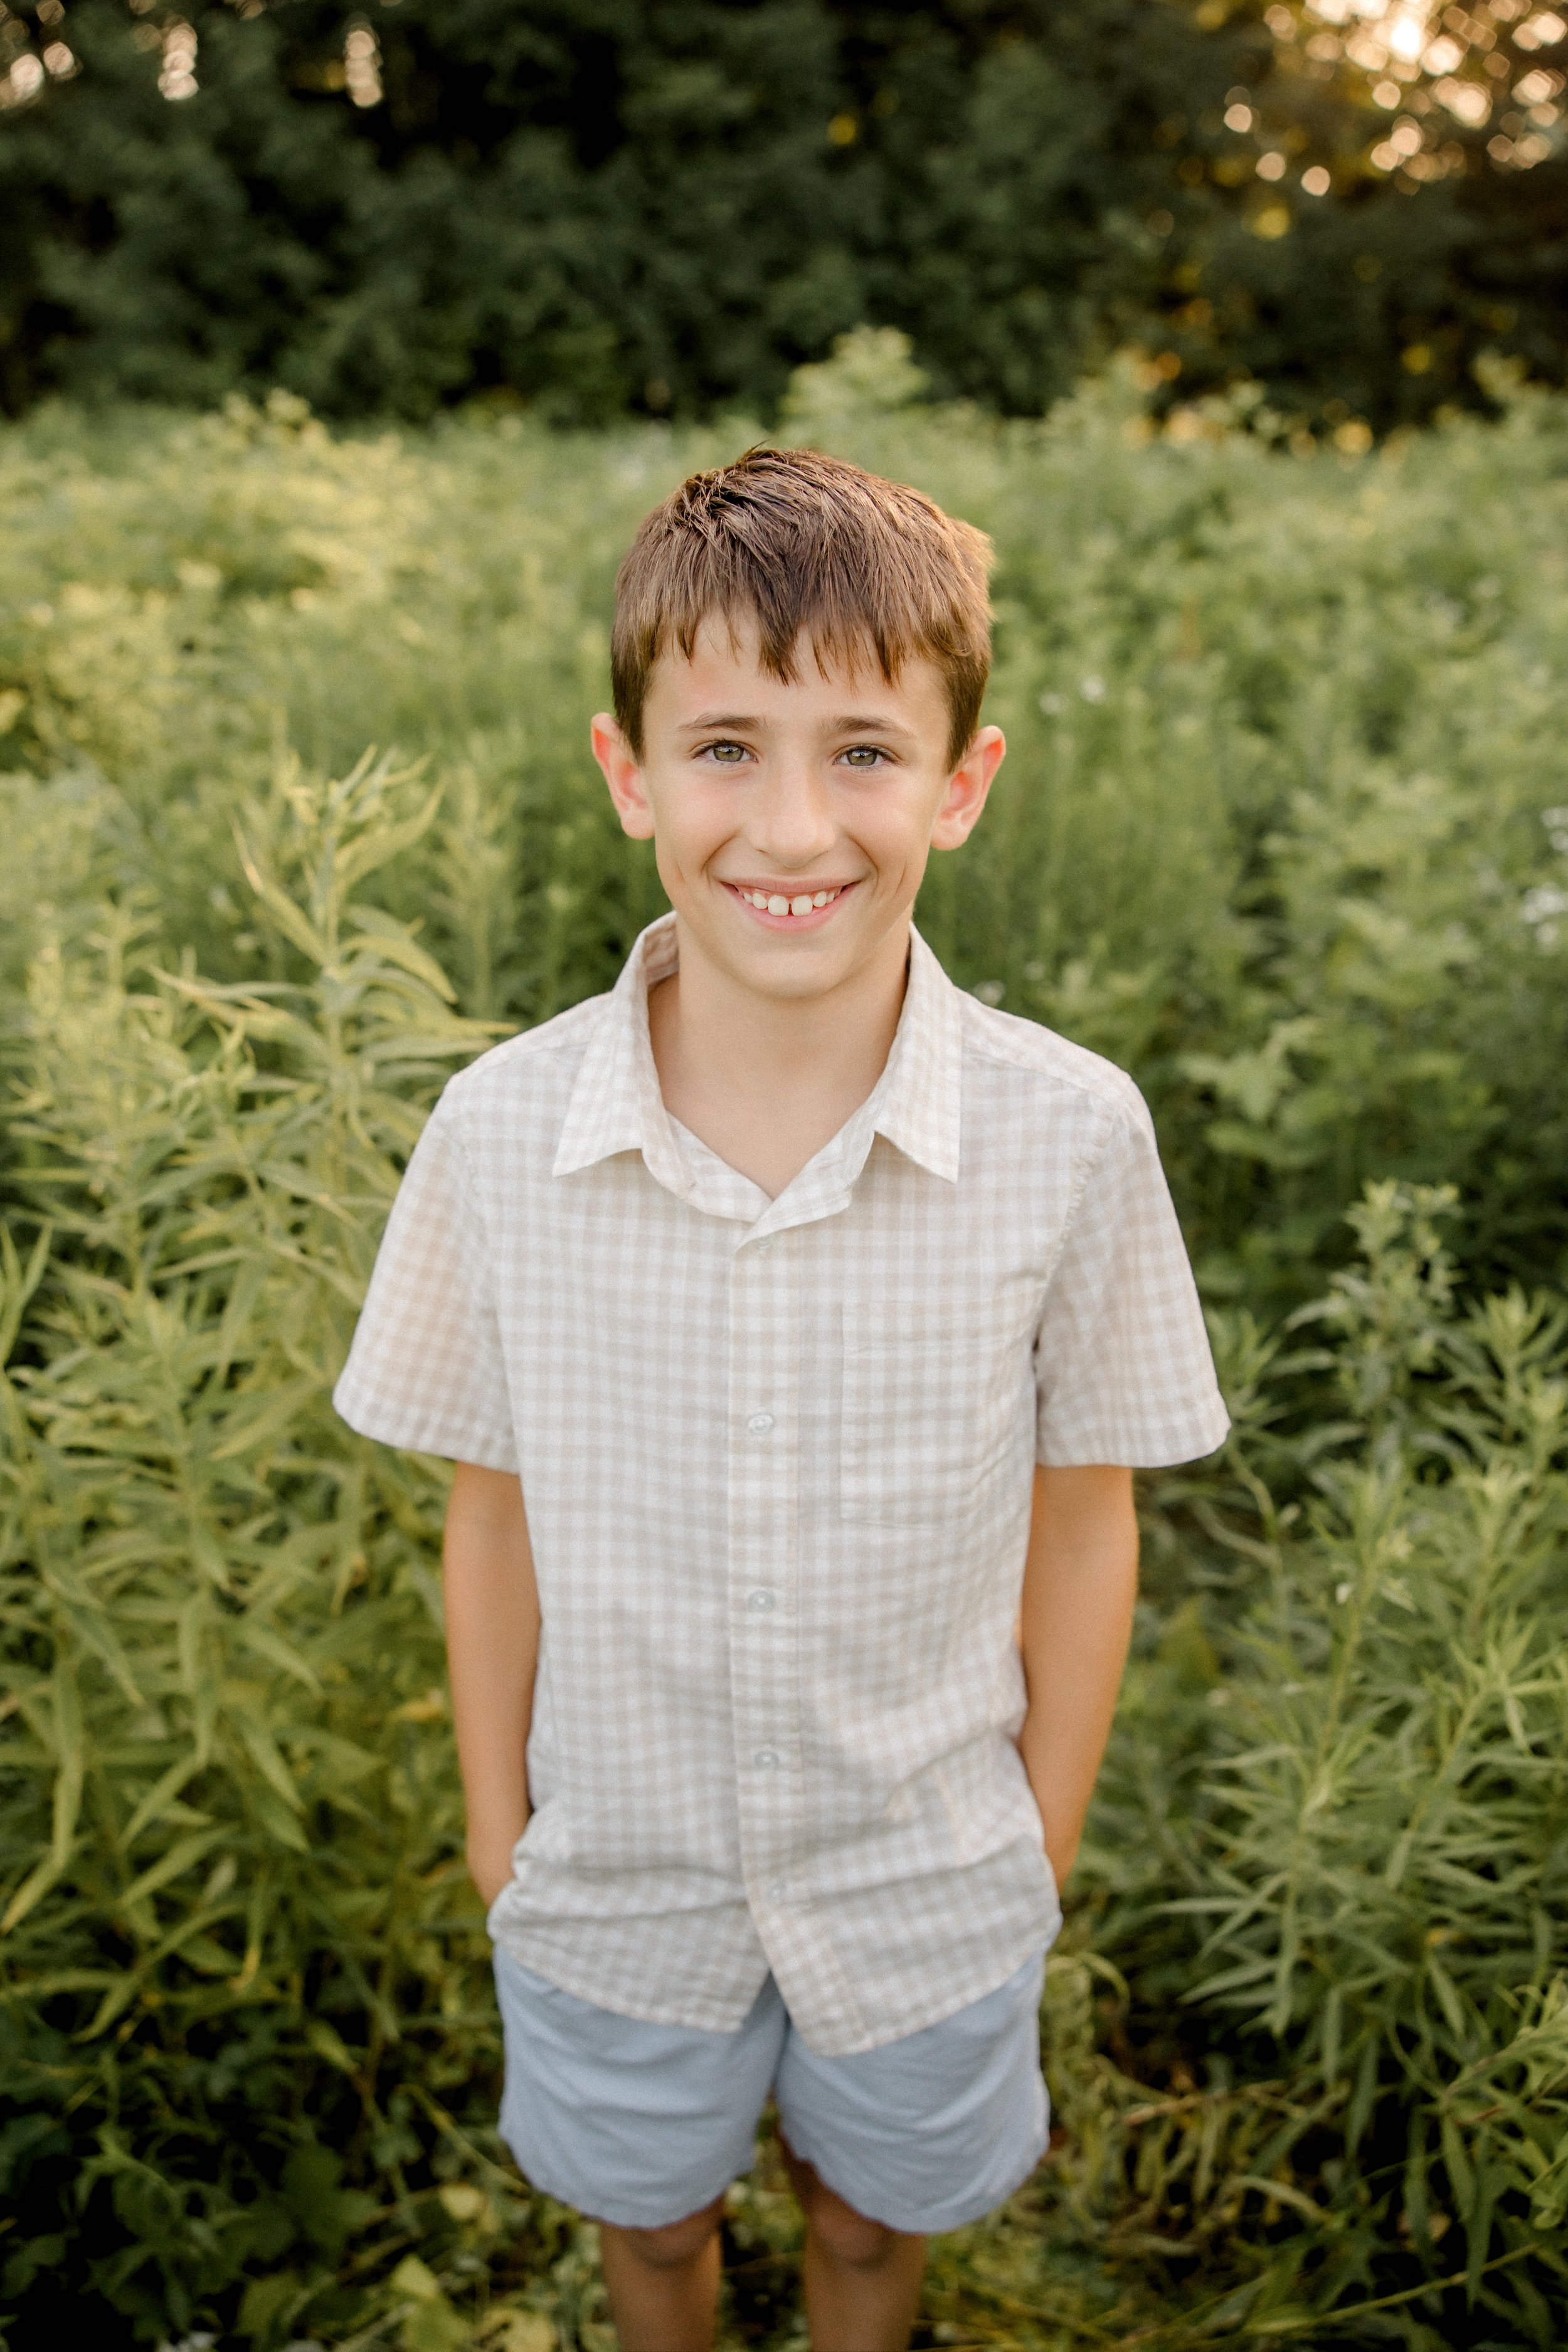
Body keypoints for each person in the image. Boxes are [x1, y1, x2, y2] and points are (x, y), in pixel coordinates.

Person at [334, 446, 1227, 2352]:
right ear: (627, 772)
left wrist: (1034, 1854)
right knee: (648, 2229)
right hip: (613, 1885)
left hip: (927, 1885)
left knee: (863, 2231)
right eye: (726, 748)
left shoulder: (1067, 1137)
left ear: (961, 787)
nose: (792, 825)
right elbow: (490, 1513)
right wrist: (504, 1846)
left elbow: (1088, 1518)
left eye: (863, 753)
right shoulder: (499, 1132)